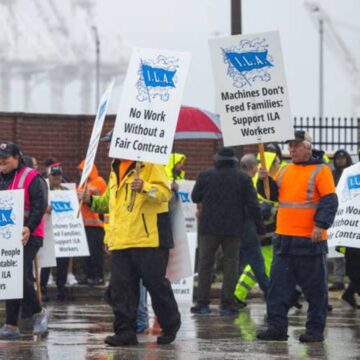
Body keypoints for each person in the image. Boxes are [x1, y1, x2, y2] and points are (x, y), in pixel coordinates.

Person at [80, 154, 181, 346]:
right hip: (122, 241)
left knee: (156, 285)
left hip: (148, 238)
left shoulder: (151, 164)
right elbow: (111, 204)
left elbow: (164, 194)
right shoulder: (114, 170)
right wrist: (91, 201)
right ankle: (125, 332)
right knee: (121, 289)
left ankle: (170, 325)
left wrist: (144, 187)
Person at [256, 131, 338, 343]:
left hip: (309, 239)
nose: (291, 149)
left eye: (296, 146)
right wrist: (263, 180)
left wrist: (320, 225)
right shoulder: (284, 170)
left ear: (308, 147)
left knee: (315, 290)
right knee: (277, 288)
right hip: (284, 238)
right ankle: (276, 328)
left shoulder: (321, 170)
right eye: (290, 146)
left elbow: (330, 200)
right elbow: (272, 195)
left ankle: (314, 331)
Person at [190, 147, 265, 316]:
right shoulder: (243, 179)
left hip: (208, 228)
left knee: (205, 265)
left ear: (216, 159)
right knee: (231, 265)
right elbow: (253, 205)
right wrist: (260, 227)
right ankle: (227, 304)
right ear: (234, 161)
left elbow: (195, 197)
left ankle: (202, 303)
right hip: (234, 228)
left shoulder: (205, 175)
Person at [0, 142, 49, 339]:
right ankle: (11, 325)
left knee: (18, 275)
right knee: (10, 275)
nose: (1, 162)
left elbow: (40, 204)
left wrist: (29, 227)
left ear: (17, 158)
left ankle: (39, 312)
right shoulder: (2, 177)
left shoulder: (31, 177)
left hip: (30, 234)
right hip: (8, 235)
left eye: (5, 158)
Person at [234, 153, 271, 306]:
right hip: (249, 233)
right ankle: (272, 297)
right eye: (256, 166)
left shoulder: (233, 180)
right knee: (259, 268)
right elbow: (251, 209)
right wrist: (265, 209)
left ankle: (231, 299)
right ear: (253, 167)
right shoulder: (247, 182)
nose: (257, 169)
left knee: (236, 268)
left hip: (233, 233)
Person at [40, 165, 73, 301]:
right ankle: (43, 288)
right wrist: (44, 208)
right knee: (47, 261)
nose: (57, 178)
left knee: (63, 262)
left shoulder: (66, 191)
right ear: (49, 177)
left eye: (59, 175)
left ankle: (61, 288)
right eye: (54, 175)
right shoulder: (44, 191)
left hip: (62, 232)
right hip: (48, 231)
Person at [78, 161, 107, 286]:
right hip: (84, 224)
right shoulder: (83, 184)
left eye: (81, 170)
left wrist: (83, 195)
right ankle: (88, 276)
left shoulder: (99, 181)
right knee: (86, 253)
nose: (79, 173)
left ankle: (98, 276)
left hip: (96, 225)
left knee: (96, 253)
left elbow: (87, 195)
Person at [329, 149, 353, 291]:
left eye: (343, 158)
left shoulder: (352, 173)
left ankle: (352, 280)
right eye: (338, 158)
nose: (340, 160)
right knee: (336, 250)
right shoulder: (332, 175)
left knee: (349, 252)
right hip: (336, 216)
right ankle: (338, 279)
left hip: (349, 217)